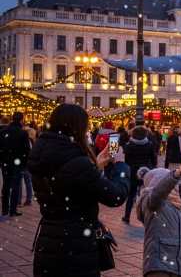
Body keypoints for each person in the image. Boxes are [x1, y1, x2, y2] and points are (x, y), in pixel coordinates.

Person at [27, 104, 130, 276]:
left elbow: (68, 183)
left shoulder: (43, 154)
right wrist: (120, 166)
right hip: (75, 245)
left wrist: (95, 164)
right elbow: (116, 196)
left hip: (48, 239)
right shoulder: (76, 162)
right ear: (77, 127)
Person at [136, 157, 181, 277]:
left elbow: (173, 233)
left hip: (173, 264)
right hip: (159, 265)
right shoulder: (152, 201)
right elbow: (159, 191)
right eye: (167, 182)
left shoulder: (175, 204)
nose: (174, 186)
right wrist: (178, 173)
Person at [122, 125, 158, 223]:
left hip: (133, 173)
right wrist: (153, 169)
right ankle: (147, 218)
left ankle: (127, 217)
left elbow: (126, 161)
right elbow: (153, 159)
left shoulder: (129, 146)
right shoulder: (149, 144)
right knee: (147, 195)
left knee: (131, 195)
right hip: (146, 172)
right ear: (145, 134)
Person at [0, 112, 31, 217]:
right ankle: (13, 210)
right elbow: (26, 150)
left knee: (6, 184)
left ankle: (4, 209)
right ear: (22, 120)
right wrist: (26, 162)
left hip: (5, 162)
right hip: (18, 163)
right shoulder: (23, 133)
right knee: (16, 185)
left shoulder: (3, 132)